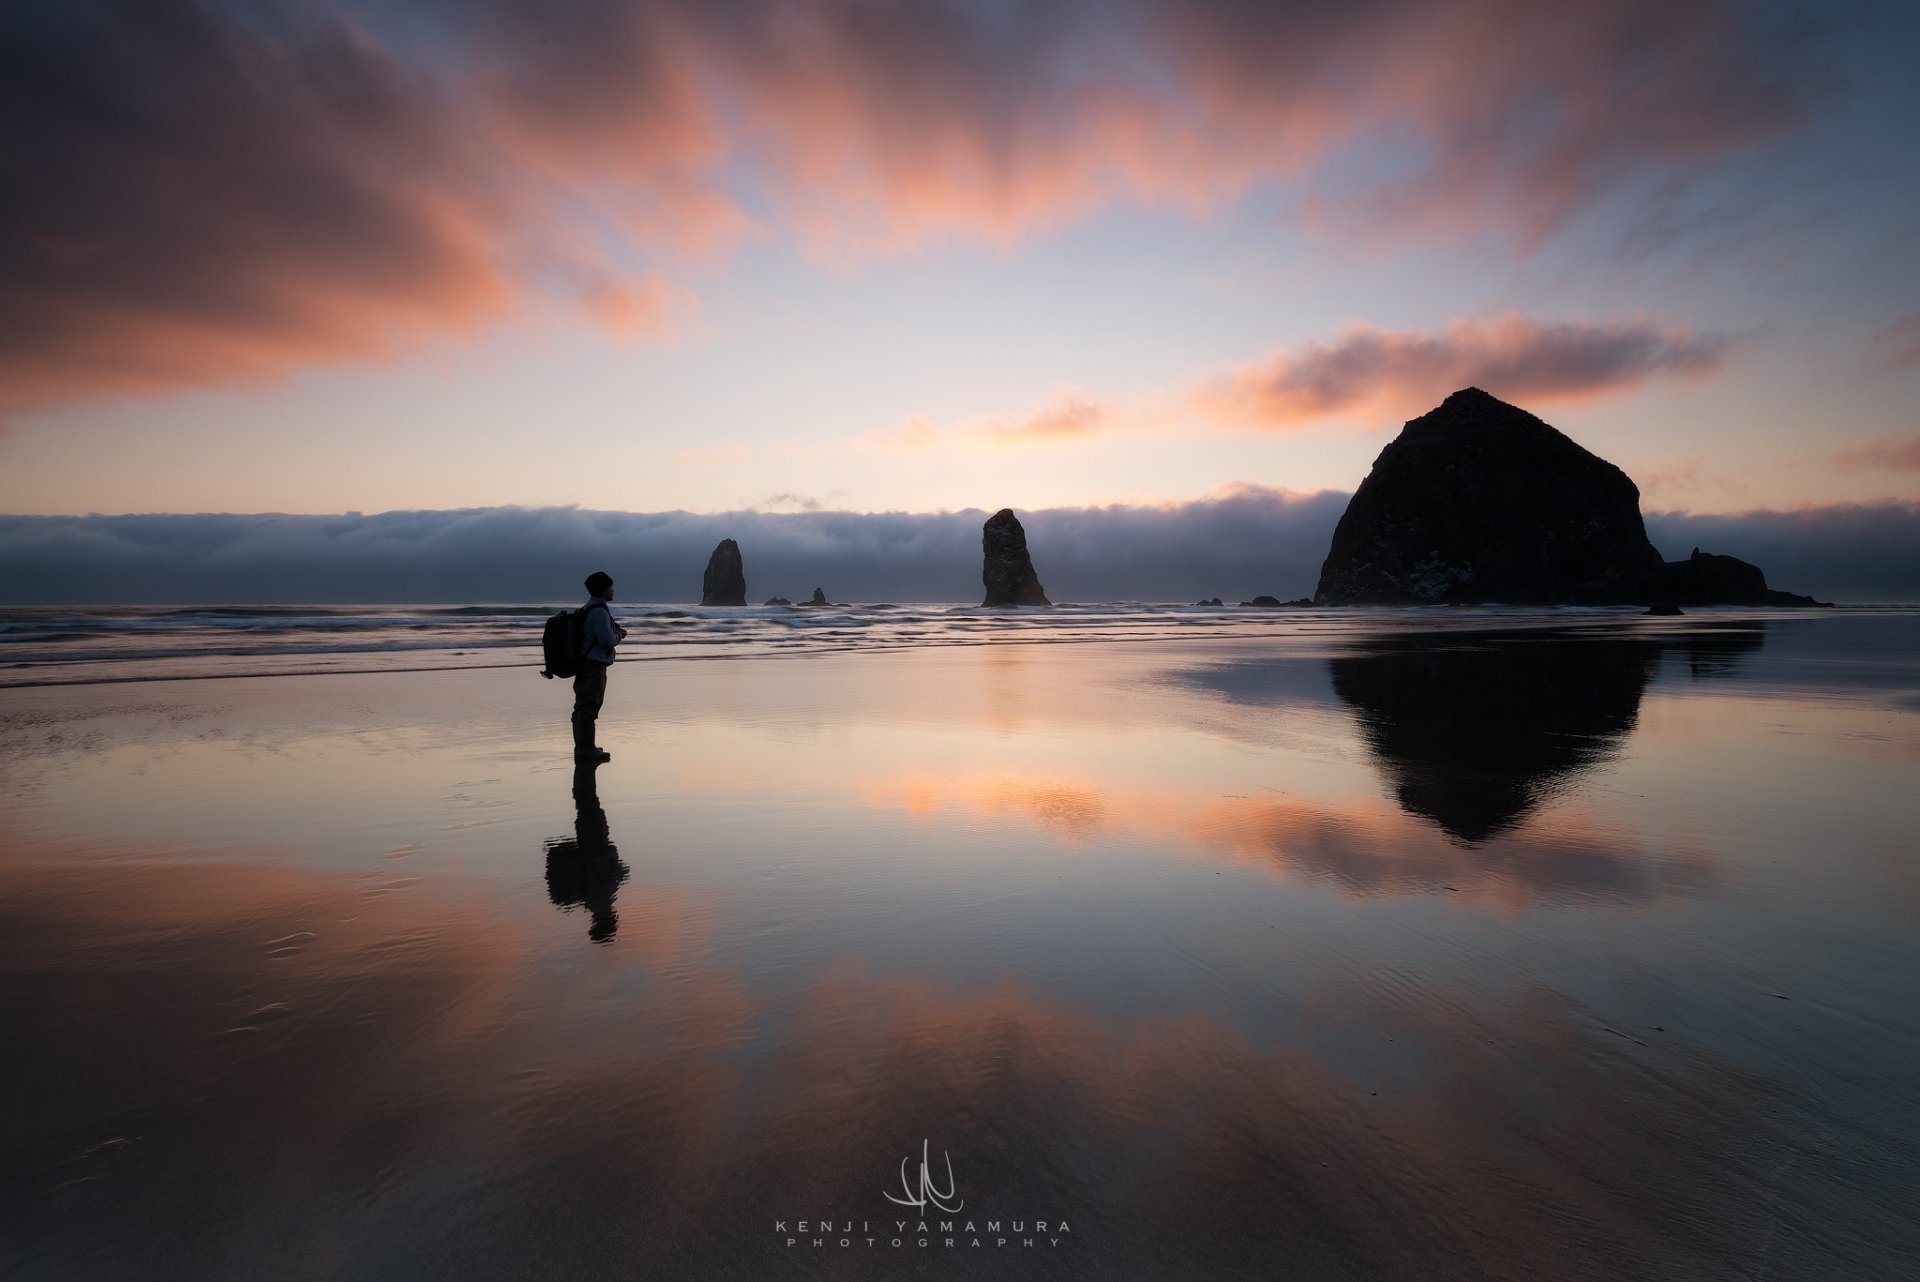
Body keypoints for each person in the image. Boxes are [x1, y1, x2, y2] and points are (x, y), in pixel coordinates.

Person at [573, 570, 628, 761]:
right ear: (603, 590)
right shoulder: (598, 612)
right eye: (610, 587)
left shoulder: (588, 608)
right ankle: (587, 749)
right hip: (594, 665)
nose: (613, 590)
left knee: (582, 706)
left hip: (585, 663)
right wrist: (619, 635)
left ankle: (582, 746)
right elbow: (606, 640)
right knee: (590, 706)